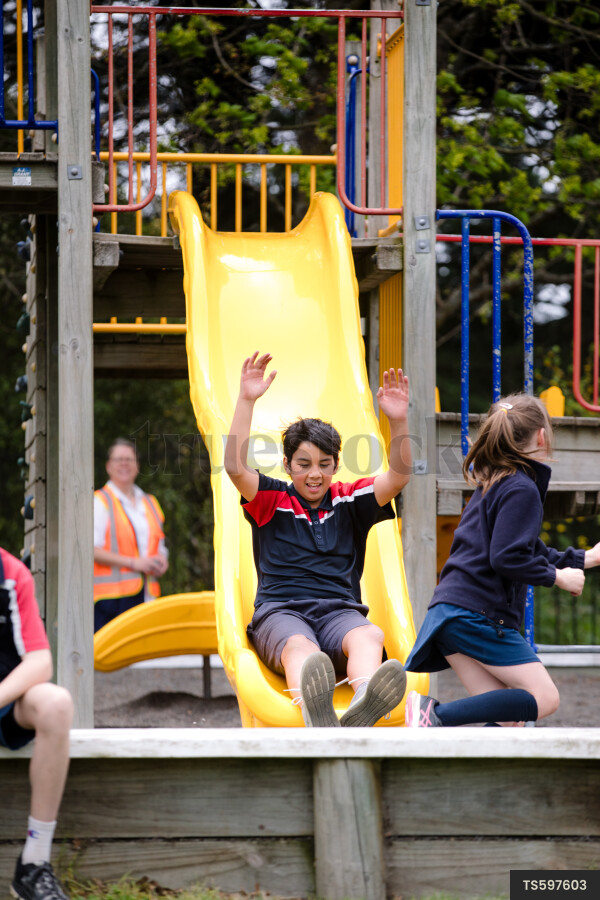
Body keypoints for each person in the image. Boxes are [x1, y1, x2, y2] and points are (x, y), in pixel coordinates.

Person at [224, 351, 411, 727]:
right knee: (302, 651)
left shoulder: (348, 500)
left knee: (369, 636)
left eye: (325, 465)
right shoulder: (272, 498)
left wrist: (399, 420)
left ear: (336, 465)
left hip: (339, 612)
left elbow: (399, 475)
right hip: (282, 612)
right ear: (288, 464)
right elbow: (234, 467)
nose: (315, 474)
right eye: (304, 464)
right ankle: (316, 709)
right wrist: (246, 400)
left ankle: (363, 703)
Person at [404, 393, 600, 728]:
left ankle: (439, 732)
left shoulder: (495, 482)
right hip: (476, 616)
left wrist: (586, 558)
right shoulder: (521, 488)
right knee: (545, 698)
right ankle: (432, 715)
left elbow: (526, 549)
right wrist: (558, 577)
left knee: (510, 720)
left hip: (451, 614)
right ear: (541, 435)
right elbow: (507, 557)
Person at [1, 546, 73, 900]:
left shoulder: (11, 573)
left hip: (5, 701)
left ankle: (34, 864)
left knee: (57, 703)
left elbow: (40, 662)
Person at [93, 438, 169, 632]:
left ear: (137, 465)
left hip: (146, 598)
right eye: (118, 459)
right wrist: (134, 563)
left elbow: (159, 546)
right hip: (110, 603)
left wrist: (162, 560)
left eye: (129, 459)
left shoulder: (150, 502)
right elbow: (90, 549)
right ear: (108, 466)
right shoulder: (100, 501)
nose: (124, 463)